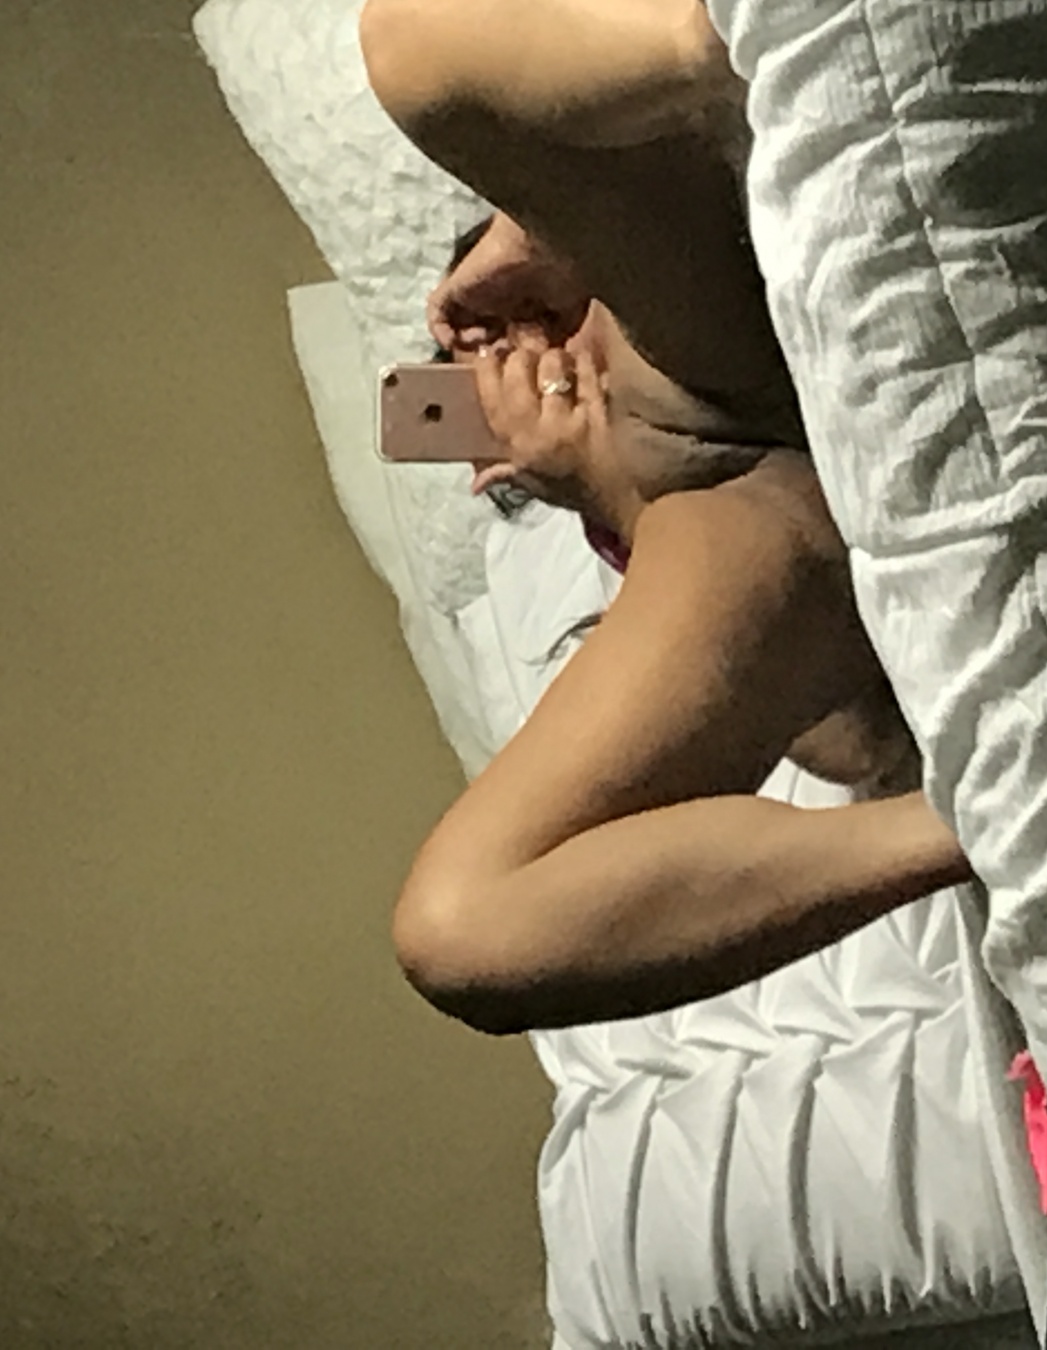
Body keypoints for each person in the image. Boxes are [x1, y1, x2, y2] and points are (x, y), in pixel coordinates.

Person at [358, 0, 969, 1035]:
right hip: (739, 506)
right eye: (491, 380)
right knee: (458, 932)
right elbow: (852, 742)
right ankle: (978, 827)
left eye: (521, 331)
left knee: (408, 38)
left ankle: (773, 36)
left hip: (702, 328)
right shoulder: (650, 530)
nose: (517, 359)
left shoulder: (636, 285)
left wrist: (540, 238)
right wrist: (602, 485)